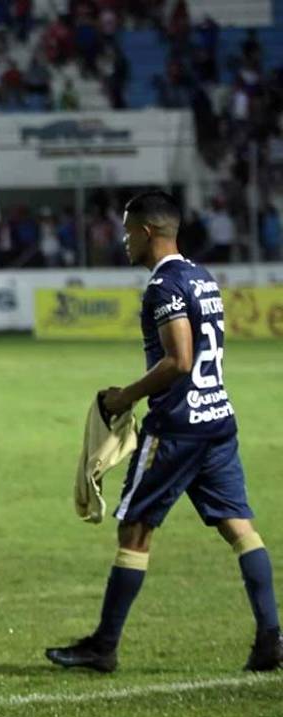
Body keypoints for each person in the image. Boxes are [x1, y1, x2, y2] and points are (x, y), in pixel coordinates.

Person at [46, 191, 281, 673]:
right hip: (217, 420)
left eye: (129, 230)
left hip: (178, 428)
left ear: (148, 232)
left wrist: (124, 397)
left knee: (135, 529)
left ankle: (103, 646)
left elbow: (179, 360)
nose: (124, 239)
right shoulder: (202, 276)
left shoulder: (163, 287)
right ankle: (270, 639)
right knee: (240, 529)